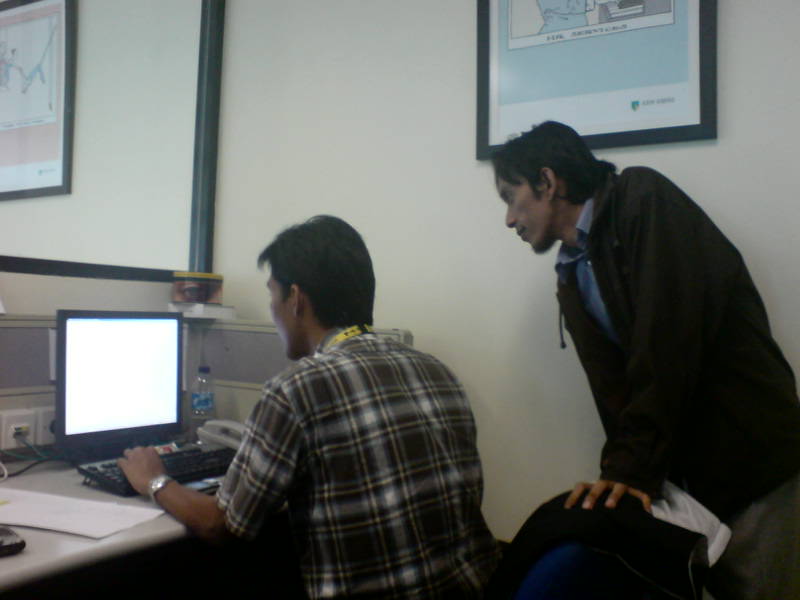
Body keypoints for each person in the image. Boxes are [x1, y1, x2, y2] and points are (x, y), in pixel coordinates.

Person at [489, 121, 800, 599]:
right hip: (691, 481)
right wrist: (624, 477)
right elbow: (616, 393)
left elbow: (667, 343)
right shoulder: (572, 270)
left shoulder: (641, 197)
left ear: (548, 182)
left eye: (511, 197)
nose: (509, 219)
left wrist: (629, 472)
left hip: (754, 465)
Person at [118, 215, 501, 599]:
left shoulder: (296, 389)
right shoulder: (438, 371)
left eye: (273, 295)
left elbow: (223, 526)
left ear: (296, 299)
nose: (272, 308)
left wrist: (154, 480)